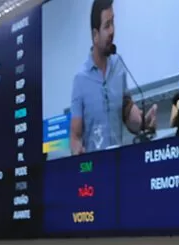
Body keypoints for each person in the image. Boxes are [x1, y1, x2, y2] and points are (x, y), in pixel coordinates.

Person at [69, 0, 158, 155]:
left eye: (113, 23)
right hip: (93, 165)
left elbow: (127, 111)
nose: (112, 31)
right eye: (107, 25)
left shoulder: (119, 65)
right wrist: (77, 151)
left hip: (118, 162)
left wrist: (143, 123)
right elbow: (75, 136)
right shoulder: (80, 80)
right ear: (95, 35)